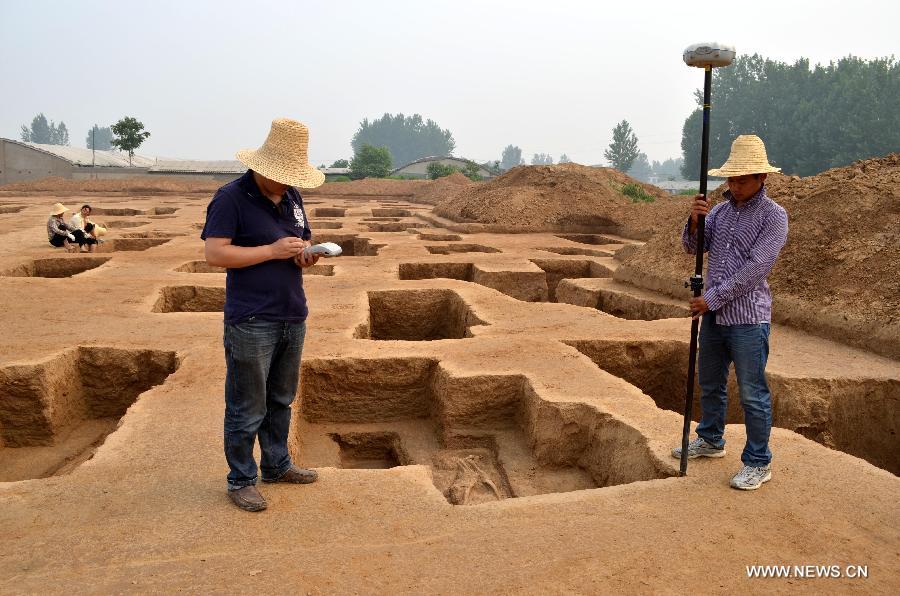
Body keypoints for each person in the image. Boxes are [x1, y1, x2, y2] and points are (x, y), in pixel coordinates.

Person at [201, 118, 326, 512]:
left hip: (292, 313)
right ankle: (241, 479)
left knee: (281, 399)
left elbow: (302, 240)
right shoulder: (231, 198)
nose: (287, 183)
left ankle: (277, 464)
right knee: (246, 404)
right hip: (252, 318)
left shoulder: (291, 197)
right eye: (282, 177)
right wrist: (271, 251)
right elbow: (215, 254)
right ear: (262, 167)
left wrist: (307, 256)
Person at [672, 135, 789, 491]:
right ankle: (710, 438)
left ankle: (758, 461)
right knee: (710, 382)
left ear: (761, 178)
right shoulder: (719, 211)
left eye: (741, 180)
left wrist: (713, 298)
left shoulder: (774, 217)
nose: (734, 186)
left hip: (747, 317)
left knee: (752, 391)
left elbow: (756, 268)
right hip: (713, 316)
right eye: (731, 179)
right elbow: (694, 247)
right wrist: (694, 222)